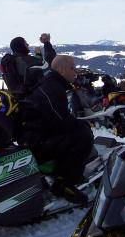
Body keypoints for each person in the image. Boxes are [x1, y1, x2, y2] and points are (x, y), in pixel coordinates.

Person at [19, 55, 94, 204]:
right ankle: (64, 182)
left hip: (36, 136)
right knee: (83, 135)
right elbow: (60, 118)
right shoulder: (52, 87)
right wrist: (82, 125)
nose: (76, 71)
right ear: (61, 70)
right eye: (72, 67)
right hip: (37, 141)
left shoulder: (51, 84)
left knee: (76, 132)